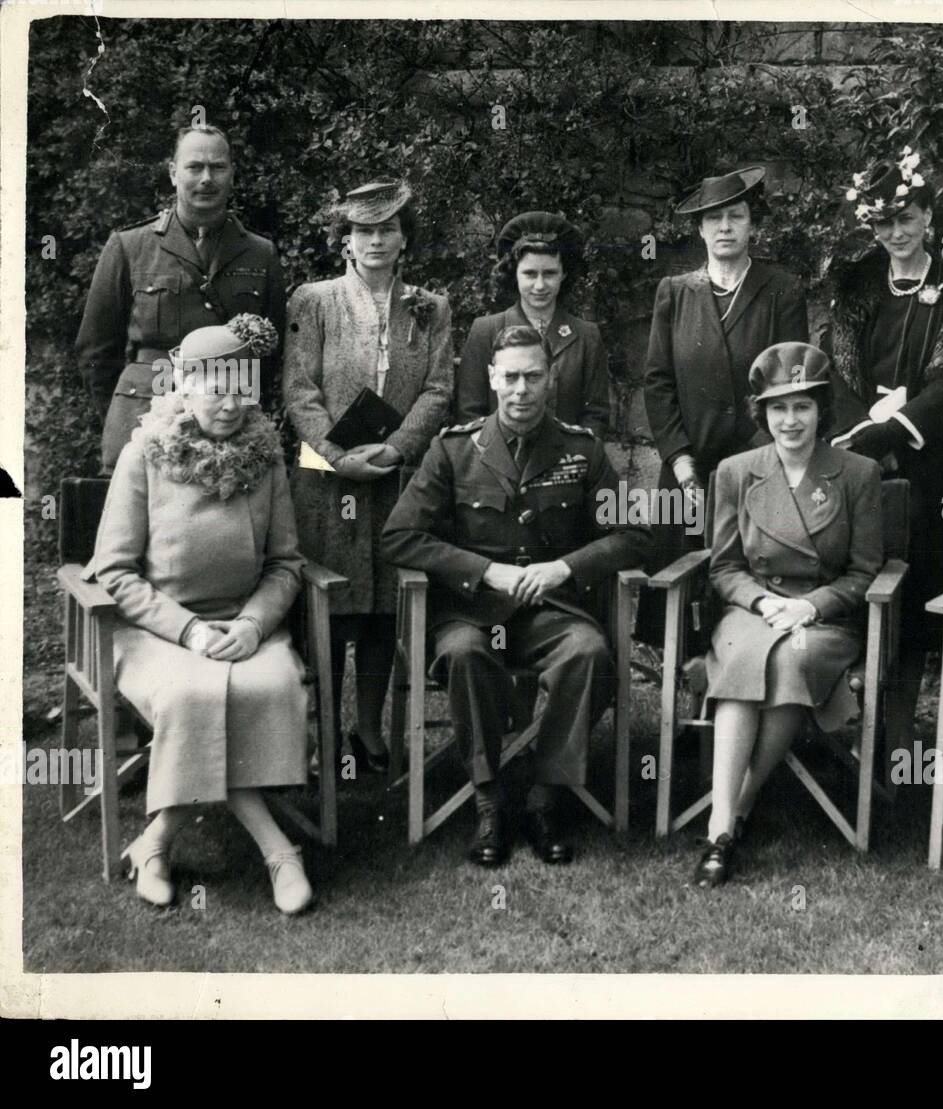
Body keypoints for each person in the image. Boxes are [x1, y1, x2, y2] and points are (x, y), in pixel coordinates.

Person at [379, 325, 650, 867]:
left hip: (552, 611)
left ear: (550, 380)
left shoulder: (582, 448)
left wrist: (564, 568)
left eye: (533, 376)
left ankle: (544, 798)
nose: (521, 389)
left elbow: (635, 533)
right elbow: (399, 536)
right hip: (473, 613)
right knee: (463, 654)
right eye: (511, 377)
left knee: (589, 652)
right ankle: (488, 801)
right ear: (491, 379)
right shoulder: (453, 450)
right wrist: (485, 572)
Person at [89, 320, 314, 914]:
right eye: (215, 386)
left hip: (243, 628)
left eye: (242, 387)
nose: (231, 401)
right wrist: (187, 630)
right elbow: (113, 571)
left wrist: (252, 626)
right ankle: (277, 849)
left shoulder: (265, 457)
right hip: (157, 632)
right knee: (193, 696)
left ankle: (154, 842)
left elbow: (286, 564)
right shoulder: (145, 453)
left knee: (272, 682)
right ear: (184, 385)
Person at [819, 147, 943, 751]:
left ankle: (898, 734)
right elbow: (839, 371)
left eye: (907, 218)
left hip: (934, 461)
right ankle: (835, 716)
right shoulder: (858, 286)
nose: (896, 233)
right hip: (859, 459)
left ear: (929, 217)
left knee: (918, 588)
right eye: (883, 223)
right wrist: (861, 437)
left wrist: (897, 434)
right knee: (851, 576)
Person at [694, 343, 883, 888]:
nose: (790, 420)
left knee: (791, 664)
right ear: (763, 413)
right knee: (744, 657)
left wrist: (810, 605)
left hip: (823, 617)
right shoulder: (735, 472)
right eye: (778, 408)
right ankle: (722, 822)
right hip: (753, 607)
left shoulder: (857, 472)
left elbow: (865, 570)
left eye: (802, 406)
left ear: (822, 410)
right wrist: (761, 602)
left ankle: (732, 813)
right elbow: (725, 566)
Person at [283, 179, 454, 774]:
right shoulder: (314, 299)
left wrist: (397, 448)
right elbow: (299, 389)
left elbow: (438, 390)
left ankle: (369, 729)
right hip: (327, 479)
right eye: (365, 231)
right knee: (332, 603)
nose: (376, 240)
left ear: (404, 238)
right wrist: (336, 453)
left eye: (388, 229)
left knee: (384, 602)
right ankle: (325, 732)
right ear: (347, 242)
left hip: (393, 476)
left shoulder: (429, 306)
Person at [639, 166, 808, 643]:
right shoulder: (675, 292)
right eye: (715, 219)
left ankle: (742, 680)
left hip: (760, 464)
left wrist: (757, 457)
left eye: (736, 216)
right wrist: (680, 461)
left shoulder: (780, 290)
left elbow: (789, 380)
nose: (726, 227)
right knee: (681, 586)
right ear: (700, 228)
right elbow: (657, 381)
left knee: (750, 579)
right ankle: (686, 686)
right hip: (688, 468)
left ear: (753, 224)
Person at [75, 124, 286, 472]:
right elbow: (95, 351)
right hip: (142, 420)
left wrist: (235, 402)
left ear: (232, 175)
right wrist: (122, 408)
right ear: (174, 173)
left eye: (217, 167)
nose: (206, 178)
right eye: (194, 167)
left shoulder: (260, 254)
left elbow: (269, 354)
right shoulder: (130, 246)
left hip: (228, 426)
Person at [456, 211, 610, 437]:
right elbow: (469, 412)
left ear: (564, 274)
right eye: (529, 274)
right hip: (496, 464)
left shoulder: (587, 336)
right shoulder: (485, 331)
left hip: (567, 464)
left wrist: (575, 459)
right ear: (514, 274)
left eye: (549, 273)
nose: (540, 285)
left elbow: (596, 415)